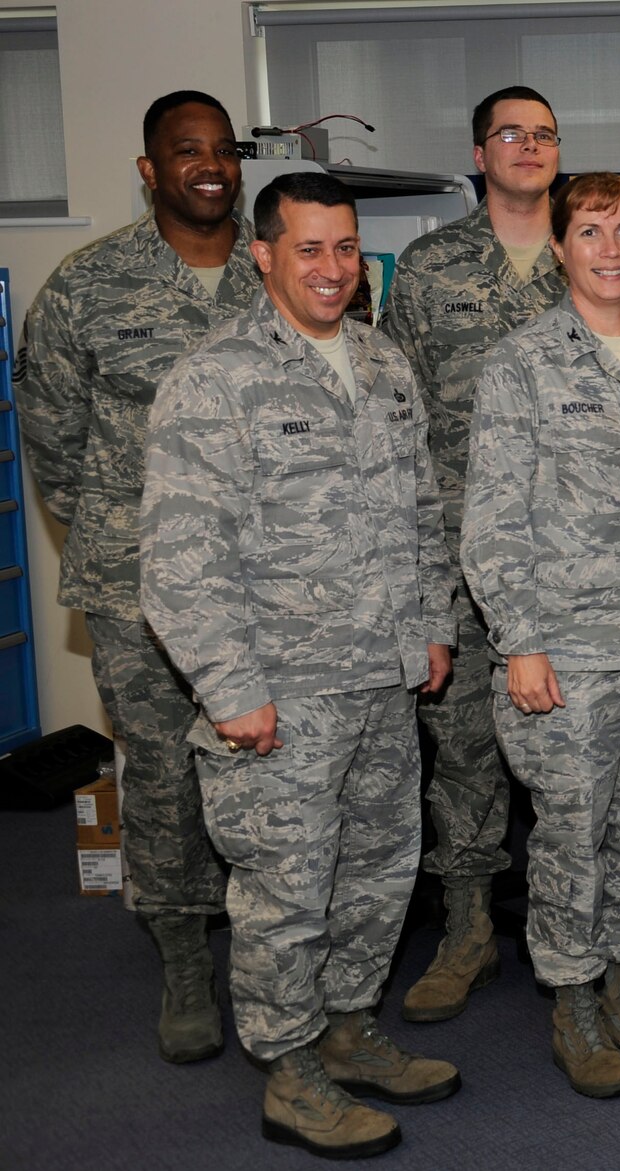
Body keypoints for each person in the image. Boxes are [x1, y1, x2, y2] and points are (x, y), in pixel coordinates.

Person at [140, 172, 459, 1158]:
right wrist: (231, 689)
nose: (332, 269)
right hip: (276, 691)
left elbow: (419, 513)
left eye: (346, 248)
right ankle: (290, 1067)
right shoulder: (217, 376)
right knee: (285, 885)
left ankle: (348, 1026)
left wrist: (432, 623)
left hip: (378, 673)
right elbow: (178, 553)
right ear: (263, 254)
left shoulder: (383, 362)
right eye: (309, 249)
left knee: (375, 870)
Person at [16, 90, 258, 1065]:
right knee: (160, 773)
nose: (208, 164)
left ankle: (271, 946)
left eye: (221, 150)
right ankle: (182, 959)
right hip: (138, 588)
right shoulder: (87, 283)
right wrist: (132, 540)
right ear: (150, 170)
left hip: (268, 581)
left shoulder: (282, 267)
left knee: (263, 764)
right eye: (184, 151)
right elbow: (53, 445)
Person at [461, 173, 620, 1099]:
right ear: (558, 248)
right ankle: (573, 999)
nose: (610, 248)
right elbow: (492, 515)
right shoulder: (522, 361)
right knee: (570, 833)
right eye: (590, 231)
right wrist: (517, 637)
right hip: (565, 647)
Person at [377, 85, 569, 1023]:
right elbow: (390, 413)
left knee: (582, 743)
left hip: (577, 560)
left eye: (543, 135)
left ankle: (585, 927)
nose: (528, 148)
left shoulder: (599, 252)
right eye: (510, 134)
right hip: (458, 557)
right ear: (480, 152)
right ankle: (465, 929)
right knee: (461, 752)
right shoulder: (427, 266)